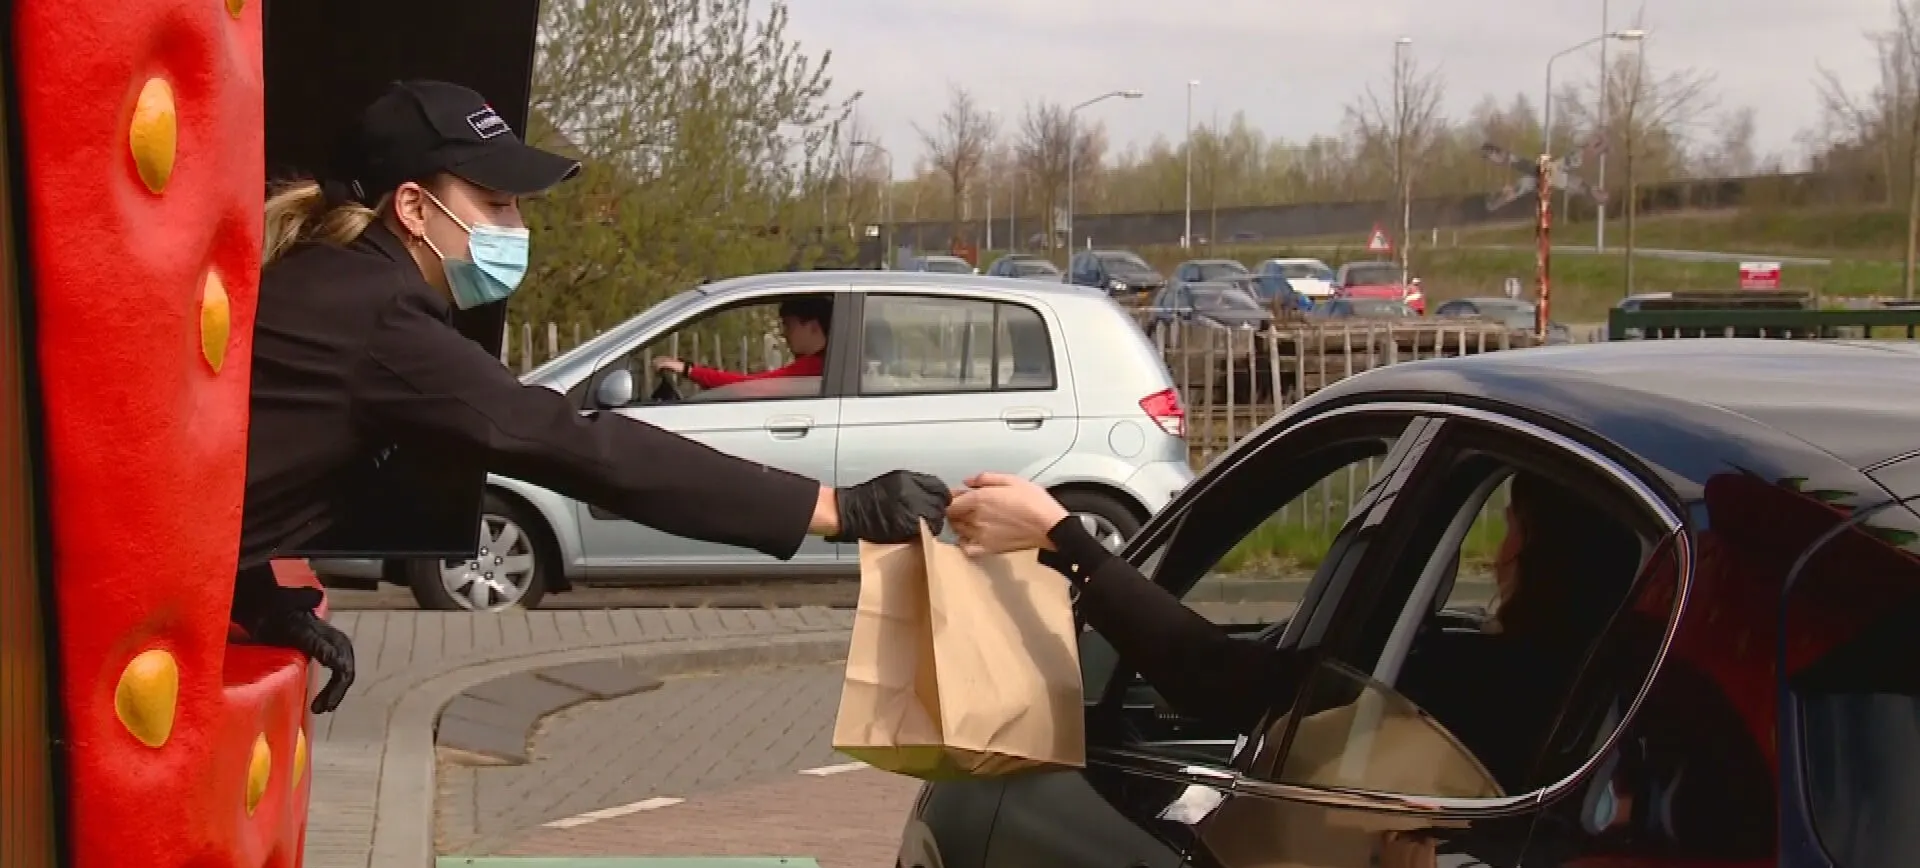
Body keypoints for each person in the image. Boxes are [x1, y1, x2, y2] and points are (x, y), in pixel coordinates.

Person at [232, 80, 948, 712]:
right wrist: (835, 507)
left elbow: (237, 463)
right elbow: (575, 445)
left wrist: (255, 599)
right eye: (496, 202)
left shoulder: (334, 284)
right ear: (415, 208)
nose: (517, 227)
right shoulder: (380, 316)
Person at [946, 469, 1643, 786]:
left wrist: (1067, 539)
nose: (1500, 550)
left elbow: (1215, 680)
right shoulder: (1648, 695)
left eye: (1512, 526)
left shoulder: (1454, 679)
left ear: (1529, 551)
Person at [649, 295, 830, 389]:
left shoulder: (813, 368)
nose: (783, 334)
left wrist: (688, 370)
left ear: (813, 327)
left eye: (789, 326)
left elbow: (750, 386)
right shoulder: (824, 367)